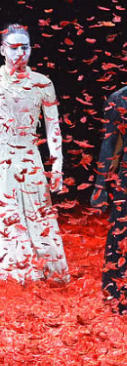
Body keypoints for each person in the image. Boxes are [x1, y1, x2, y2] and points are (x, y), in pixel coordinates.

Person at [0, 24, 68, 283]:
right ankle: (13, 267)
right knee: (4, 210)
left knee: (36, 211)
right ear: (2, 50)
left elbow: (53, 127)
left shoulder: (42, 83)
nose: (20, 53)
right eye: (13, 48)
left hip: (28, 154)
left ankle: (39, 264)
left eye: (25, 47)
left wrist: (57, 166)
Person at [91, 86, 127, 314]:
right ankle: (119, 294)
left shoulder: (120, 98)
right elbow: (110, 143)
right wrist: (99, 186)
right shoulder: (120, 99)